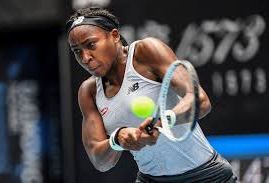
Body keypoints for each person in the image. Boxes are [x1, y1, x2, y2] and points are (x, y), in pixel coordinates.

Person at [66, 6, 238, 183]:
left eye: (91, 44)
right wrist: (117, 139)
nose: (85, 58)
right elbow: (99, 161)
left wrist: (163, 121)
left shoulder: (146, 51)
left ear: (115, 36)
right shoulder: (88, 92)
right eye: (77, 51)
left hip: (207, 176)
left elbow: (200, 101)